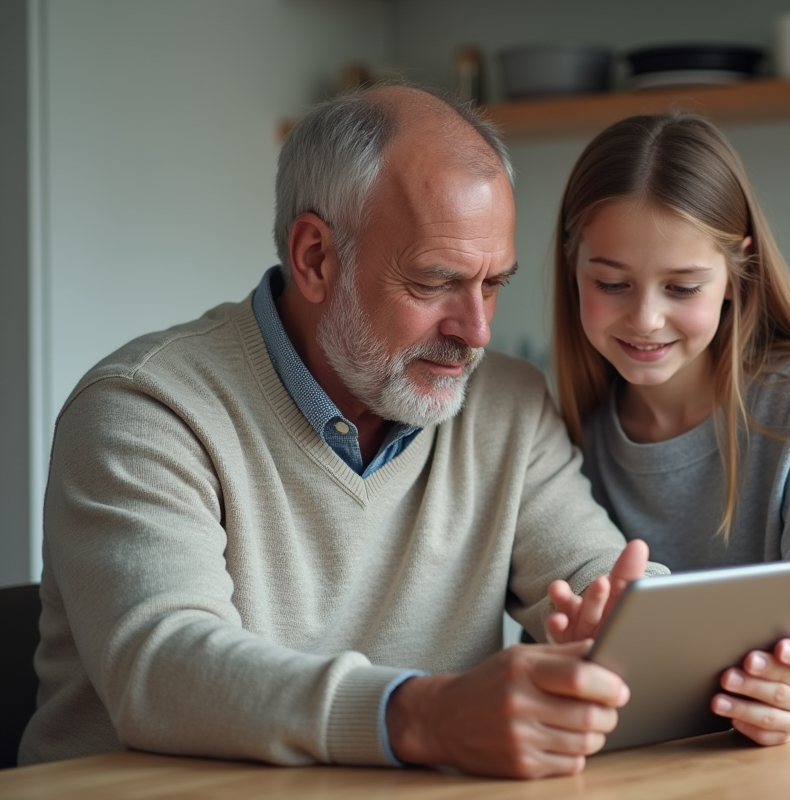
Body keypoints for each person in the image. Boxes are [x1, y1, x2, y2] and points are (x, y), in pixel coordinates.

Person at [19, 86, 671, 780]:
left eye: (493, 284)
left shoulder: (506, 402)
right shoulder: (143, 408)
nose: (474, 332)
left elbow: (596, 577)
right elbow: (166, 668)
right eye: (436, 281)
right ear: (315, 259)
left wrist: (655, 641)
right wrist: (427, 715)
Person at [548, 113, 790, 744]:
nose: (646, 318)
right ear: (572, 265)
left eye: (682, 287)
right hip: (670, 743)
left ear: (737, 272)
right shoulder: (570, 427)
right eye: (612, 283)